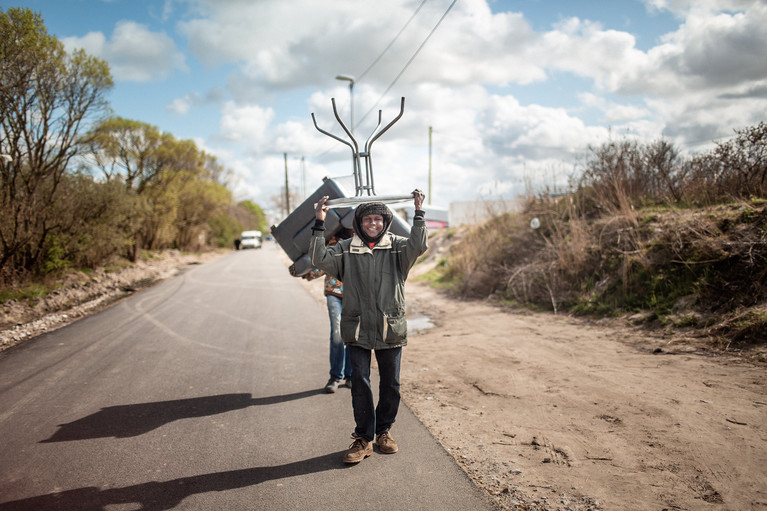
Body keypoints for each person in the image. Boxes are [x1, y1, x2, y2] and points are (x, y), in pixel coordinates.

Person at [310, 190, 428, 464]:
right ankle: (363, 438)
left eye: (377, 219)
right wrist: (319, 222)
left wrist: (418, 214)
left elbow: (419, 245)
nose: (372, 224)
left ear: (385, 222)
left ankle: (384, 432)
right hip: (358, 327)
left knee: (391, 383)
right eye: (367, 220)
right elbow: (318, 259)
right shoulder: (346, 248)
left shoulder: (398, 247)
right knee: (360, 383)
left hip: (390, 326)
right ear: (359, 222)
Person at [290, 231, 353, 393]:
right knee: (337, 333)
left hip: (355, 296)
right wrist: (300, 271)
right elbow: (321, 266)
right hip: (334, 293)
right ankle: (335, 377)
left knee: (353, 335)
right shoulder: (331, 240)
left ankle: (350, 375)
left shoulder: (360, 241)